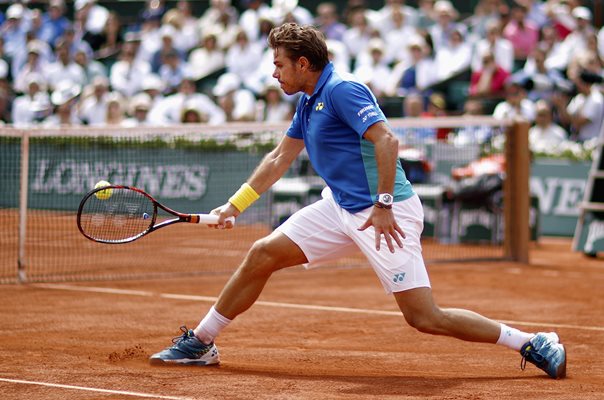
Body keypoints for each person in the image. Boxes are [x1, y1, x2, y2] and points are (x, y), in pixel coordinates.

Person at [149, 22, 566, 380]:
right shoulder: (309, 101)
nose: (274, 73)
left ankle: (531, 342)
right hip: (340, 208)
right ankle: (201, 342)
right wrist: (233, 205)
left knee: (424, 317)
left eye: (279, 64)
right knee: (262, 254)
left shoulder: (344, 90)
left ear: (303, 64)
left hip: (385, 213)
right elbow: (279, 157)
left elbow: (387, 139)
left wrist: (383, 204)